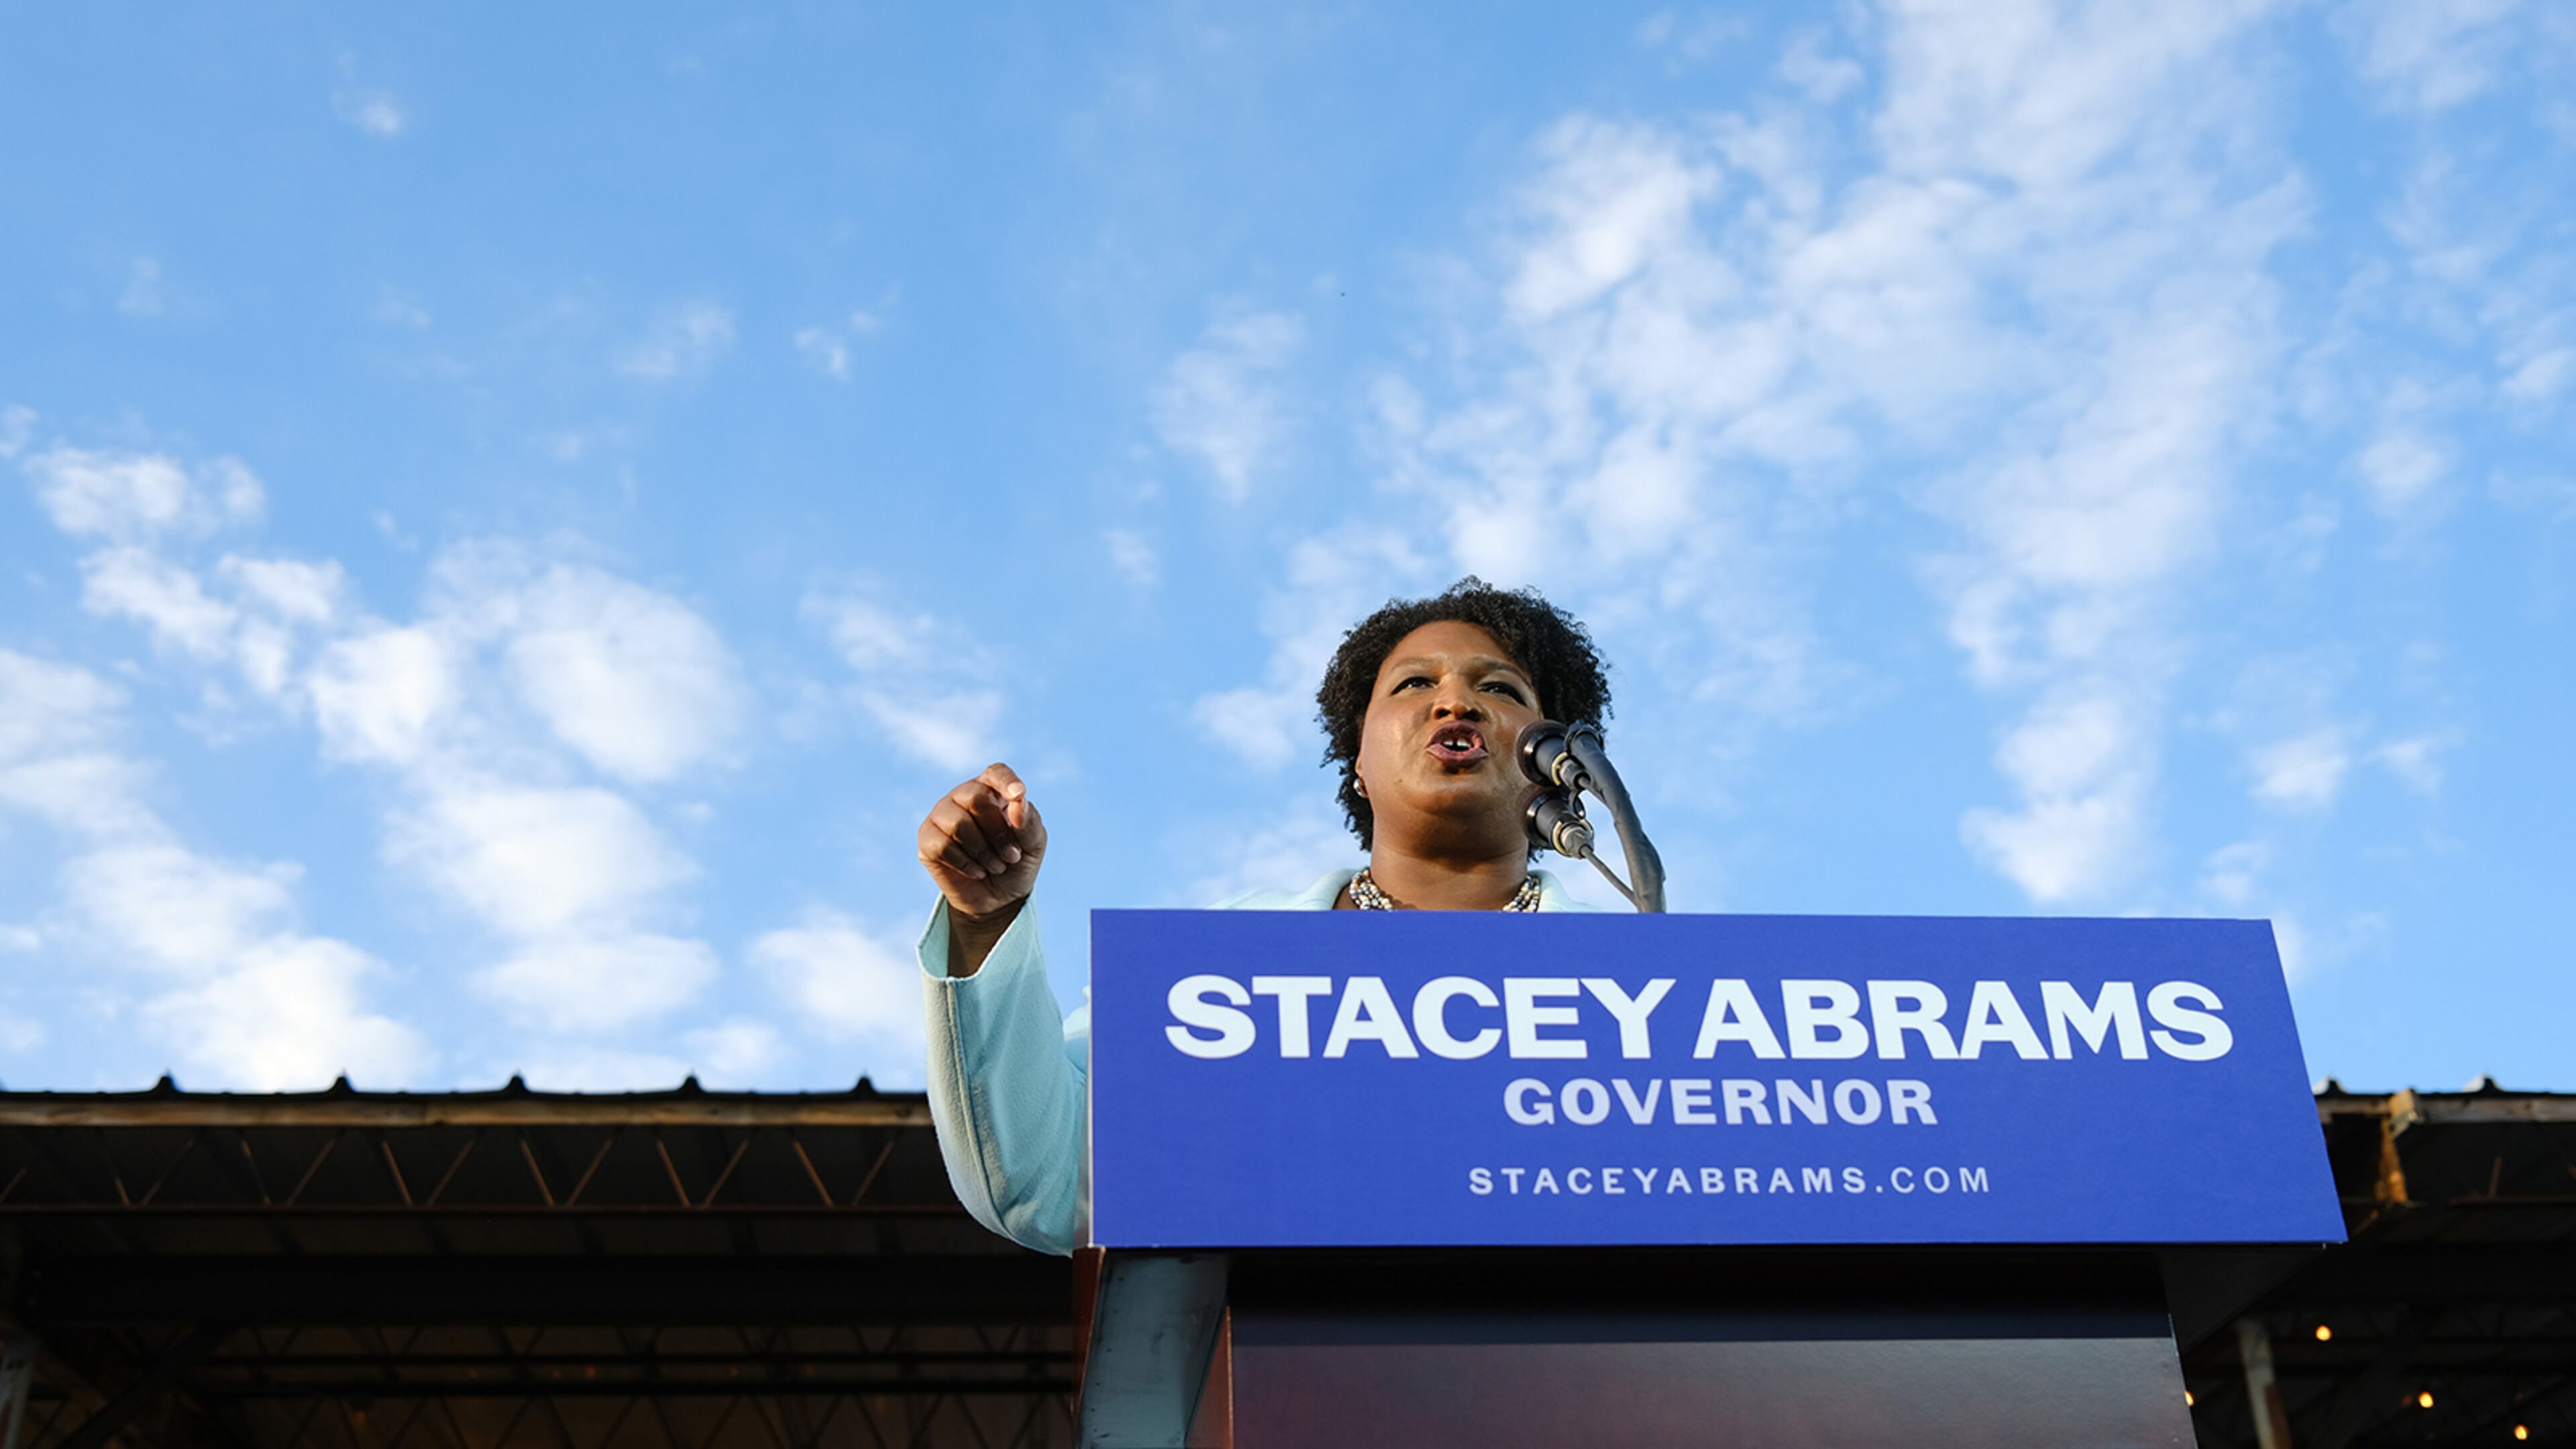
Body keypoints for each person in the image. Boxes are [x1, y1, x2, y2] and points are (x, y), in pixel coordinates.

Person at [914, 578, 1613, 1254]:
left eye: (1500, 688)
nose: (1455, 702)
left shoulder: (1639, 979)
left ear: (1553, 763)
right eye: (1413, 684)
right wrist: (986, 917)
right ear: (1359, 762)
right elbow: (1048, 1180)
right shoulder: (1215, 964)